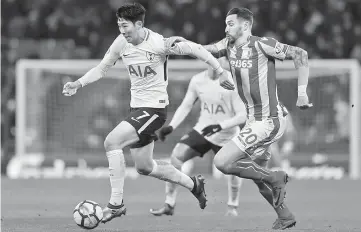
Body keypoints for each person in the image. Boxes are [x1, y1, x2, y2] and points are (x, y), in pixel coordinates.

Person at [62, 2, 231, 223]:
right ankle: (193, 184)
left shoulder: (160, 43)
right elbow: (102, 68)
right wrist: (78, 83)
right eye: (119, 26)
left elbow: (196, 49)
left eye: (126, 27)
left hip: (154, 109)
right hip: (137, 108)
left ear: (139, 24)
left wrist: (220, 71)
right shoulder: (121, 43)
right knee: (145, 166)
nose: (122, 31)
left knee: (111, 142)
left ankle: (116, 204)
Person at [201, 7, 312, 230]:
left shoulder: (262, 44)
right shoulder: (227, 46)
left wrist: (302, 93)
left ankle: (275, 177)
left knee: (223, 162)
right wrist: (172, 45)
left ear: (245, 25)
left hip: (269, 120)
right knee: (256, 177)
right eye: (225, 23)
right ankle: (285, 216)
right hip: (254, 121)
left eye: (230, 23)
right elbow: (204, 50)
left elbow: (300, 54)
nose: (226, 28)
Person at [149, 58, 246, 217]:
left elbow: (243, 116)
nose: (217, 67)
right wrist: (171, 126)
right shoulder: (198, 80)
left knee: (234, 170)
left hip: (227, 135)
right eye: (214, 62)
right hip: (203, 130)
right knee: (176, 157)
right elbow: (186, 105)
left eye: (221, 63)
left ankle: (232, 207)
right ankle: (169, 204)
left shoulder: (231, 83)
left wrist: (220, 126)